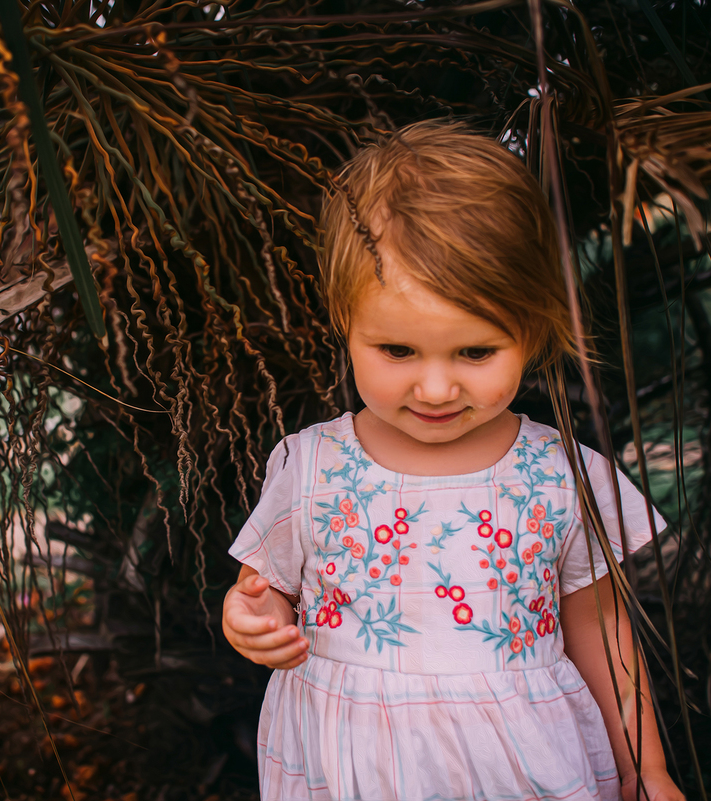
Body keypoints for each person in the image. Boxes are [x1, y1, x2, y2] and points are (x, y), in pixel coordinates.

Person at [221, 122, 685, 801]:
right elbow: (262, 589)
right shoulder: (313, 464)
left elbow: (602, 626)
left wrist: (647, 767)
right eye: (398, 351)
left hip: (522, 765)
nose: (436, 389)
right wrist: (248, 618)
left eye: (475, 352)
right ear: (344, 321)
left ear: (529, 328)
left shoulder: (557, 473)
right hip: (351, 766)